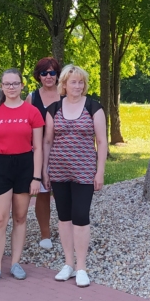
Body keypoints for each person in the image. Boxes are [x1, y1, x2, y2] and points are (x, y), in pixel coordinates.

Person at [42, 64, 107, 288]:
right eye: (73, 82)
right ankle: (68, 264)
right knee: (64, 217)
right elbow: (47, 141)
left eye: (81, 82)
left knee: (80, 216)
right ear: (64, 84)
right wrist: (45, 170)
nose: (77, 86)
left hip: (84, 171)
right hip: (59, 171)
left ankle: (81, 267)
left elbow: (102, 142)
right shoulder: (53, 109)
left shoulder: (93, 107)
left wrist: (100, 171)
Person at [0, 68, 44, 283]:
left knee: (20, 217)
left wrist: (36, 177)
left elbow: (38, 147)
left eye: (15, 83)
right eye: (7, 84)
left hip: (25, 165)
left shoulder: (32, 112)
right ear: (1, 86)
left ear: (22, 85)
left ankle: (15, 263)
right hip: (0, 165)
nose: (11, 87)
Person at [27, 57, 61, 250]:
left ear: (57, 75)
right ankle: (45, 233)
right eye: (44, 73)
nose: (48, 76)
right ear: (38, 76)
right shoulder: (32, 98)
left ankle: (67, 229)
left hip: (63, 151)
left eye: (52, 72)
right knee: (43, 192)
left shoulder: (66, 96)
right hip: (39, 151)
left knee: (64, 192)